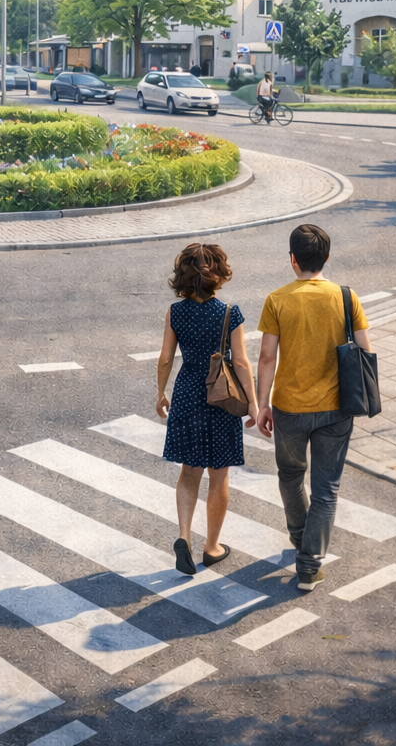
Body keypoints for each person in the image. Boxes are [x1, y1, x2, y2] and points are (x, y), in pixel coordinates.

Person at [254, 223, 371, 592]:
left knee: (290, 477)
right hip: (336, 409)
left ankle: (300, 539)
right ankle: (309, 565)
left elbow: (266, 357)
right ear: (327, 257)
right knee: (326, 489)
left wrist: (261, 405)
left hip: (288, 409)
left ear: (293, 260)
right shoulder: (347, 297)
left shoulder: (277, 300)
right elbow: (366, 351)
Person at [155, 243, 257, 576]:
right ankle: (211, 547)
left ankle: (183, 536)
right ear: (219, 274)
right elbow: (241, 362)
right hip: (221, 399)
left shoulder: (175, 312)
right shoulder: (229, 313)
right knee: (219, 474)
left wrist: (161, 393)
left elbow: (166, 358)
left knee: (189, 471)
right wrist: (254, 404)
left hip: (187, 394)